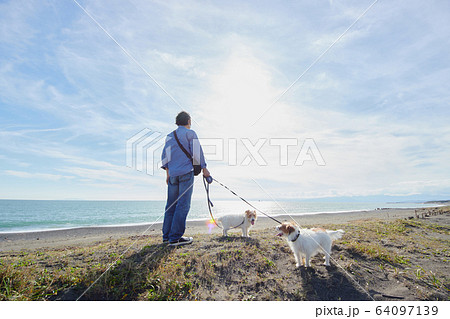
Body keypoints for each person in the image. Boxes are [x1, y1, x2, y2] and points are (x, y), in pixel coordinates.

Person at [160, 111, 210, 246]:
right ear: (188, 121)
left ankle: (167, 237)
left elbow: (165, 156)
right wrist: (204, 169)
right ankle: (175, 237)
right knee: (183, 205)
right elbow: (197, 152)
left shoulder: (169, 136)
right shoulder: (190, 133)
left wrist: (168, 174)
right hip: (186, 173)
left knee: (170, 205)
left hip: (173, 175)